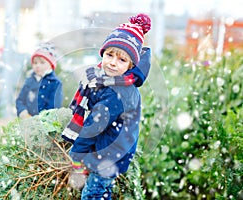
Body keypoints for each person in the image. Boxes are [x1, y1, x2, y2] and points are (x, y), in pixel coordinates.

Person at [61, 13, 152, 199]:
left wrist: (76, 155)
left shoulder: (117, 93)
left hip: (109, 155)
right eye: (110, 55)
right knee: (102, 191)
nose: (112, 62)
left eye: (122, 60)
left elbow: (93, 127)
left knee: (93, 193)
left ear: (130, 65)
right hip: (110, 150)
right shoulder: (105, 81)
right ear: (102, 54)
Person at [16, 42, 63, 118]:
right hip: (27, 121)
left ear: (51, 64)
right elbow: (20, 100)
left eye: (42, 63)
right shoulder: (30, 80)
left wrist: (42, 120)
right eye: (35, 63)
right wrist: (23, 112)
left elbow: (54, 106)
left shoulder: (55, 83)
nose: (38, 65)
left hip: (45, 125)